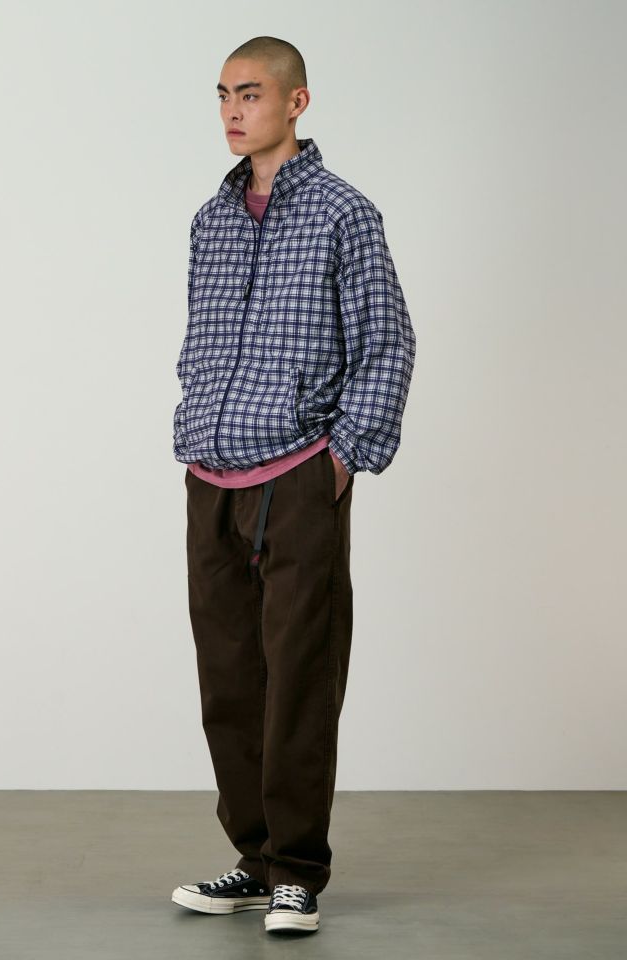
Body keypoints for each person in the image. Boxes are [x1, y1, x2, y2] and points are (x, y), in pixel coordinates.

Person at [170, 36, 416, 935]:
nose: (233, 111)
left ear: (296, 102)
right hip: (210, 474)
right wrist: (194, 417)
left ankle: (298, 873)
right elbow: (202, 340)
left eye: (250, 93)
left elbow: (387, 342)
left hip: (299, 474)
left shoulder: (345, 213)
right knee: (229, 680)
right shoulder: (212, 219)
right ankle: (254, 858)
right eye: (223, 95)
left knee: (300, 678)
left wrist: (343, 458)